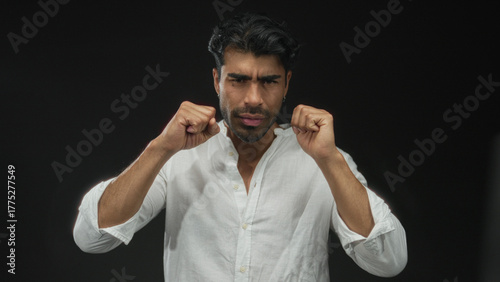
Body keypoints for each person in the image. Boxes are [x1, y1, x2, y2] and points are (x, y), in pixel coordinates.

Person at [73, 12, 407, 281]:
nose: (253, 99)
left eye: (269, 81)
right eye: (238, 80)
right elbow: (92, 238)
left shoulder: (323, 161)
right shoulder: (177, 158)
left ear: (287, 83)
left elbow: (388, 260)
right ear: (217, 80)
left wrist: (330, 160)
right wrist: (160, 148)